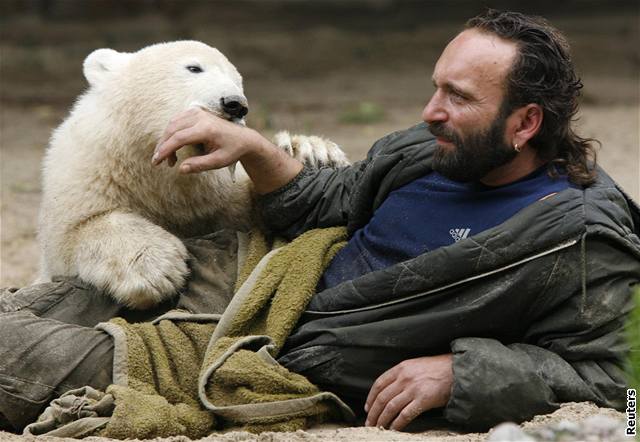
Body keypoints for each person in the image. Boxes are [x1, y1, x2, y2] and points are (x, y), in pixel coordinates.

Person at [1, 9, 638, 434]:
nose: (431, 111)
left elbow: (626, 389)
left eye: (459, 98)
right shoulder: (436, 151)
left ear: (526, 123)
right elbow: (325, 201)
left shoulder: (580, 240)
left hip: (257, 348)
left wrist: (462, 373)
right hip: (246, 270)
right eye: (437, 87)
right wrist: (256, 150)